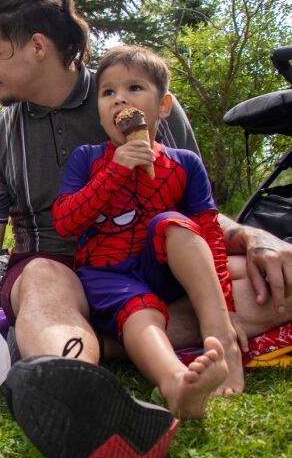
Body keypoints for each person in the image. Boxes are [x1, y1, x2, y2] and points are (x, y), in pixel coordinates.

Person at [0, 0, 292, 458]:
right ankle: (81, 389)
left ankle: (106, 342)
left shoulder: (141, 93)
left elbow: (198, 212)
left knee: (276, 279)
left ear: (38, 47)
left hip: (152, 269)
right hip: (58, 270)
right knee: (45, 281)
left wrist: (258, 237)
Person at [53, 45, 241, 419]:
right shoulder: (87, 158)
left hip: (162, 270)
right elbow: (65, 222)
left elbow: (209, 233)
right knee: (140, 311)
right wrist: (115, 171)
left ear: (164, 106)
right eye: (108, 92)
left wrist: (228, 307)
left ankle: (224, 340)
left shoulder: (184, 163)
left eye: (135, 88)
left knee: (175, 224)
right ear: (101, 113)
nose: (120, 98)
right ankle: (175, 383)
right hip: (108, 275)